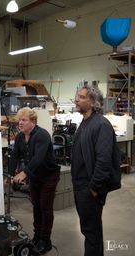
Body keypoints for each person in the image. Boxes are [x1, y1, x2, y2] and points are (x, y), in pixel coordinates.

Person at [72, 85, 121, 256]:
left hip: (89, 188)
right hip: (81, 186)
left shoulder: (101, 124)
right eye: (77, 96)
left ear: (92, 102)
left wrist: (94, 188)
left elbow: (104, 161)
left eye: (81, 97)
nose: (76, 99)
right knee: (89, 230)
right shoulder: (85, 122)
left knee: (91, 233)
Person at [10, 107, 60, 255]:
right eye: (19, 120)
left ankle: (46, 241)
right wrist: (11, 174)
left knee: (45, 208)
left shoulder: (42, 135)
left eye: (24, 120)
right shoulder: (20, 137)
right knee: (36, 207)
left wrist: (24, 173)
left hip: (49, 176)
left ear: (33, 121)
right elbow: (14, 156)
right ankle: (37, 237)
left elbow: (38, 158)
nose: (20, 123)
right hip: (35, 176)